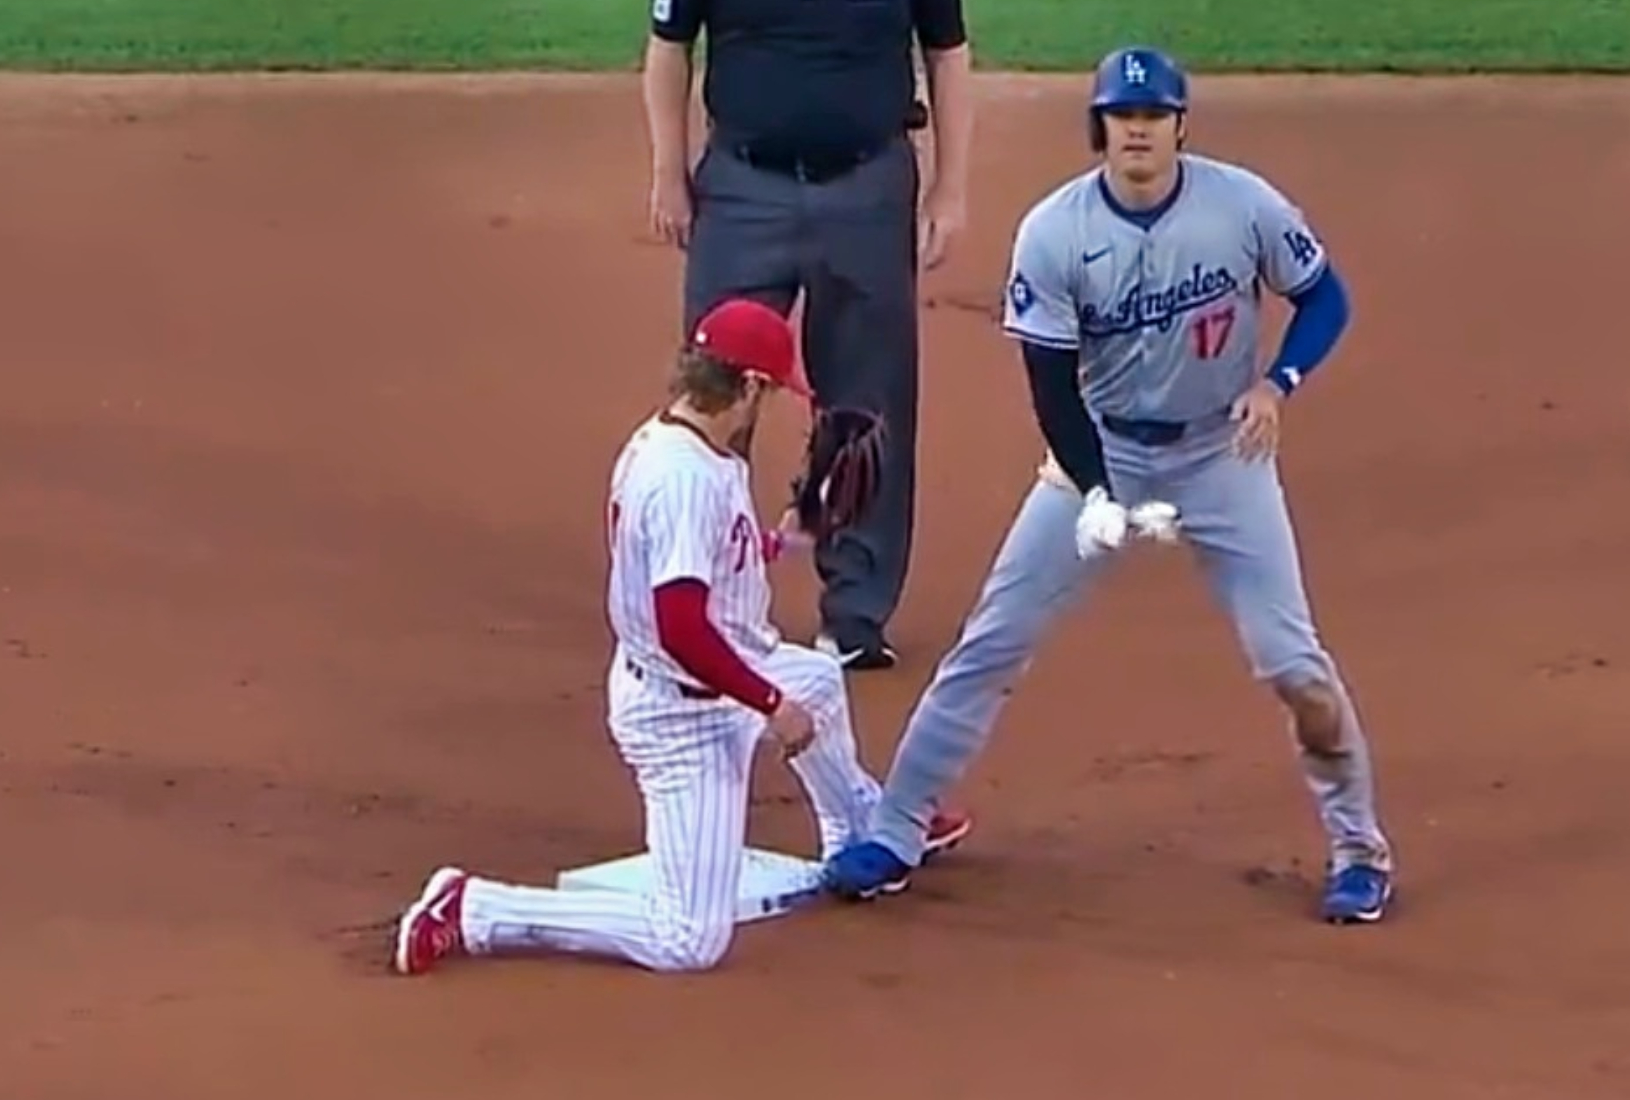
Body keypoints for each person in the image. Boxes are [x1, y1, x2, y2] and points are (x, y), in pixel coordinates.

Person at [816, 47, 1399, 924]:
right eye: (1122, 118)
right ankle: (896, 829)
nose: (1137, 130)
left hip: (1221, 460)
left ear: (1179, 125)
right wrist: (1095, 492)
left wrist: (1277, 384)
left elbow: (1325, 298)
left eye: (1153, 116)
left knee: (1292, 662)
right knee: (991, 642)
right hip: (1100, 450)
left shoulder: (1242, 206)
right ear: (1100, 129)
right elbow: (1051, 387)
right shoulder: (1055, 232)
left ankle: (1359, 849)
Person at [390, 299, 971, 977]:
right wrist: (767, 704)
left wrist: (782, 539)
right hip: (682, 713)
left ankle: (869, 827)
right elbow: (682, 625)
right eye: (773, 390)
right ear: (748, 386)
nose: (776, 404)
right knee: (687, 938)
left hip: (716, 670)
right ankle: (475, 908)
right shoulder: (681, 478)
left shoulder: (687, 441)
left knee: (817, 680)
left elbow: (703, 553)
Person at [640, 0, 976, 671]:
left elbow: (948, 51)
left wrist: (949, 187)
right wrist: (667, 171)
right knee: (712, 395)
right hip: (741, 187)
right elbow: (668, 44)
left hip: (868, 187)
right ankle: (702, 595)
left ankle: (855, 614)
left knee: (865, 401)